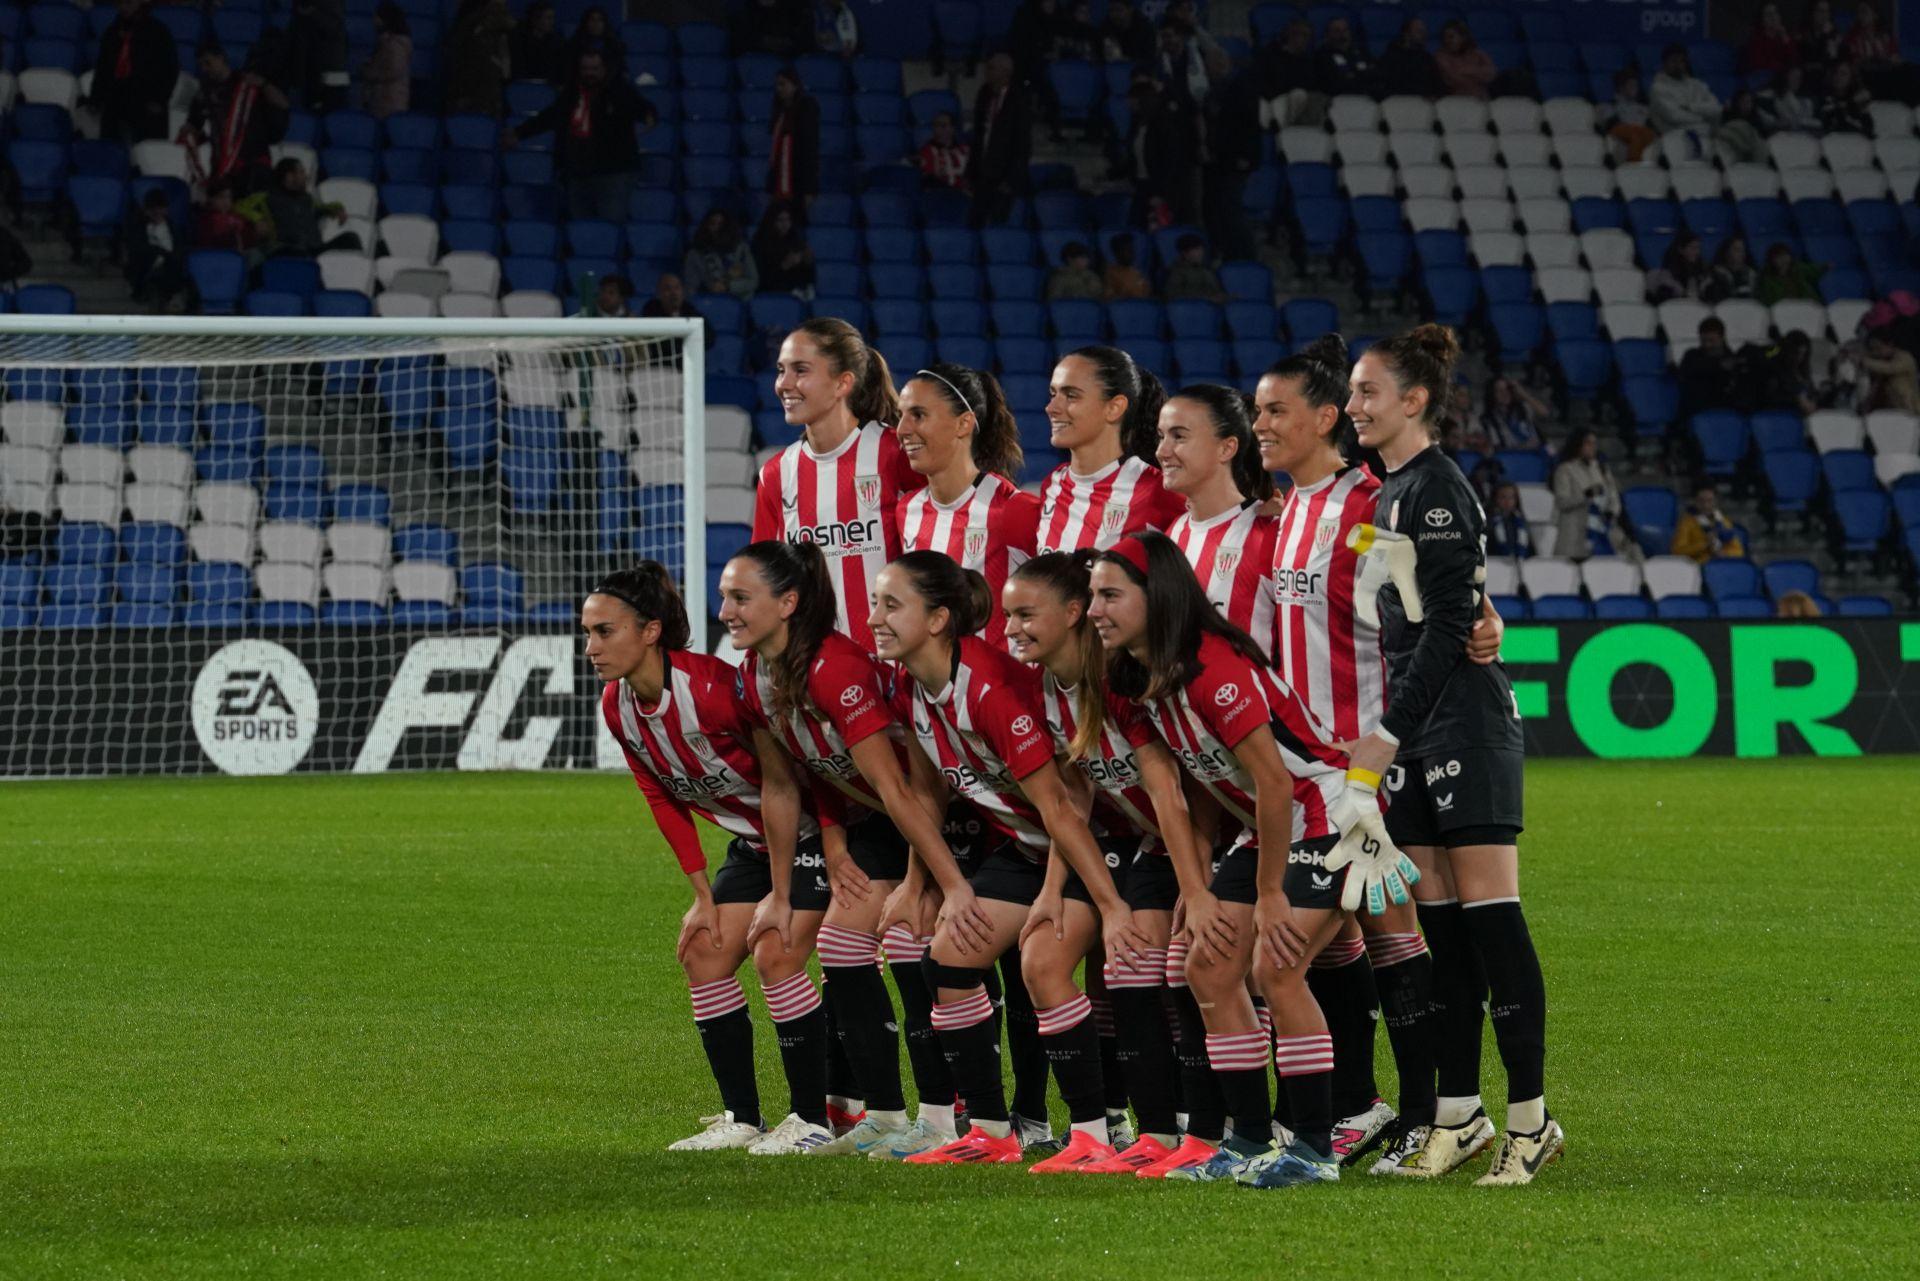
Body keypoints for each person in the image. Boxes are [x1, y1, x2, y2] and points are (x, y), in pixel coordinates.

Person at [1341, 324, 1559, 1184]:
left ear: (1413, 399)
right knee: (1440, 931)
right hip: (1421, 721)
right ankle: (1459, 1115)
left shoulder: (1435, 489)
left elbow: (1442, 629)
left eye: (1368, 392)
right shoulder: (1385, 492)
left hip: (1461, 720)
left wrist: (1388, 729)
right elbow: (1422, 603)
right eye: (1352, 393)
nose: (1356, 405)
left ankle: (1532, 1122)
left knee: (1492, 922)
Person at [1088, 531, 1370, 1188]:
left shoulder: (1212, 665)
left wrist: (1268, 890)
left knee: (1277, 966)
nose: (1094, 608)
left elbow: (1275, 781)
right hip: (1271, 825)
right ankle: (1245, 1138)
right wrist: (1200, 884)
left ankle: (1313, 1148)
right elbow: (1195, 786)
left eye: (1109, 593)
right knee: (1208, 966)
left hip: (1334, 811)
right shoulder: (1137, 676)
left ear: (1154, 595)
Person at [872, 552, 1150, 1166]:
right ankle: (992, 1134)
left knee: (1045, 965)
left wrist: (1082, 897)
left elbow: (1062, 804)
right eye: (875, 604)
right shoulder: (909, 686)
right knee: (945, 960)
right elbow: (926, 793)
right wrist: (933, 883)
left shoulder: (993, 691)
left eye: (891, 605)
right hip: (1030, 848)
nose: (875, 619)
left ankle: (1095, 1136)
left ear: (939, 618)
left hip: (1087, 845)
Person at [719, 539, 988, 1160]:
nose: (727, 611)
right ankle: (887, 1115)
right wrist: (789, 888)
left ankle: (945, 1119)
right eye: (726, 597)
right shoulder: (754, 676)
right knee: (842, 943)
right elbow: (793, 781)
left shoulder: (835, 668)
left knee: (911, 941)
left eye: (740, 597)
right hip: (871, 824)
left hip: (932, 817)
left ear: (787, 603)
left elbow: (900, 787)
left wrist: (939, 883)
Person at [587, 562, 835, 1154]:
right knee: (703, 952)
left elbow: (789, 779)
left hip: (814, 835)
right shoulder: (616, 705)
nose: (592, 647)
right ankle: (742, 1117)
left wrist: (779, 891)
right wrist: (702, 894)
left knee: (775, 954)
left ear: (649, 631)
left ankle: (813, 1120)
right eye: (588, 633)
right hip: (752, 845)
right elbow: (659, 795)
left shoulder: (715, 689)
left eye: (605, 631)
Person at [1000, 551, 1211, 1175]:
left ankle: (1212, 1127)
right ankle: (1098, 1133)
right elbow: (1075, 799)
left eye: (1025, 614)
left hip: (1195, 841)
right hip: (1137, 844)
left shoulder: (1118, 680)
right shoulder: (1050, 688)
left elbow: (1174, 794)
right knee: (1044, 958)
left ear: (1073, 614)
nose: (1011, 628)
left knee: (1169, 963)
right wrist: (1054, 888)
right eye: (1008, 614)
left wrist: (1194, 889)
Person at [751, 318, 921, 653]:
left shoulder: (896, 453)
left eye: (800, 370)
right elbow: (763, 581)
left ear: (843, 383)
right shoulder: (776, 473)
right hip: (812, 668)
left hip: (895, 666)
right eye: (780, 370)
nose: (783, 384)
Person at [894, 363, 1040, 646]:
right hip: (927, 689)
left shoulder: (1014, 510)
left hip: (997, 685)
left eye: (918, 415)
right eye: (901, 416)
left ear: (964, 423)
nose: (902, 429)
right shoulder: (907, 510)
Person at [1157, 385, 1279, 651]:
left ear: (1226, 448)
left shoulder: (1269, 533)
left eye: (1178, 437)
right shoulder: (1174, 534)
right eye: (1161, 436)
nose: (1162, 451)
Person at [1036, 345, 1186, 553]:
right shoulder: (1053, 484)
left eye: (1071, 395)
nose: (1051, 407)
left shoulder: (1158, 491)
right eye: (1053, 394)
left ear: (1114, 408)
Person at [507, 50, 652, 223]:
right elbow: (551, 116)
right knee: (580, 231)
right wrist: (519, 133)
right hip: (578, 172)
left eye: (594, 68)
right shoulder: (573, 92)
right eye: (585, 68)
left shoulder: (620, 91)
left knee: (609, 232)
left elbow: (645, 111)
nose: (589, 73)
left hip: (613, 174)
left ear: (604, 69)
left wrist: (646, 120)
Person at [182, 45, 290, 195]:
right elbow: (193, 124)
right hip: (223, 164)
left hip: (254, 161)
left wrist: (263, 84)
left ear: (221, 58)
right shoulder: (204, 92)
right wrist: (188, 134)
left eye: (208, 63)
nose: (204, 69)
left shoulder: (246, 83)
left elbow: (283, 104)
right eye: (200, 65)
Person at [89, 0, 179, 145]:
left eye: (128, 3)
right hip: (115, 99)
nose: (123, 7)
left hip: (148, 99)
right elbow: (102, 68)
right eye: (119, 3)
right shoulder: (112, 32)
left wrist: (159, 99)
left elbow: (170, 69)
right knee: (111, 148)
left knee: (147, 154)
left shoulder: (158, 31)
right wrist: (96, 98)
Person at [968, 53, 1033, 228]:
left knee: (998, 221)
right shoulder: (984, 94)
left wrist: (1011, 179)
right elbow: (979, 134)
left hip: (1004, 173)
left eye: (991, 68)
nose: (987, 72)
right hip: (983, 170)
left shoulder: (1019, 99)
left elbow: (1022, 143)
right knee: (976, 221)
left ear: (1006, 72)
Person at [1550, 429, 1623, 561]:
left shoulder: (1602, 468)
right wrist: (1586, 495)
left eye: (1594, 443)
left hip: (1600, 537)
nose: (1592, 447)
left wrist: (1612, 512)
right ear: (1577, 445)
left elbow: (1614, 497)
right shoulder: (1565, 470)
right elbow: (1562, 502)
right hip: (1573, 540)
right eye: (1588, 443)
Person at [263, 158, 360, 257]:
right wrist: (258, 220)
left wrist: (336, 209)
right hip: (290, 251)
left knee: (351, 238)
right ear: (289, 176)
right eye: (301, 172)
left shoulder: (306, 199)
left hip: (315, 249)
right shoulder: (271, 200)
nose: (306, 176)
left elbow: (321, 208)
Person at [444, 0, 514, 116]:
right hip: (467, 87)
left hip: (489, 93)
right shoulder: (469, 26)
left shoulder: (503, 36)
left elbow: (506, 71)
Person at [125, 187, 189, 312]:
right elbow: (137, 251)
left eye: (161, 208)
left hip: (171, 269)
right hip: (147, 271)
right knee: (155, 281)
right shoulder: (139, 228)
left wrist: (168, 257)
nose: (157, 212)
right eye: (153, 209)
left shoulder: (174, 229)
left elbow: (179, 250)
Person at [1256, 18, 1325, 132]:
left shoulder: (1307, 60)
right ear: (1288, 34)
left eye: (1306, 36)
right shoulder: (1271, 54)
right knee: (1298, 94)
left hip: (1297, 103)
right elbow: (1265, 80)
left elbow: (1310, 83)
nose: (1301, 39)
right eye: (1297, 34)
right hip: (1273, 100)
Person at [768, 69, 821, 211]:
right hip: (780, 180)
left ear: (795, 85)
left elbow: (810, 150)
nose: (779, 89)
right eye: (777, 85)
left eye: (783, 84)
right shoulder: (779, 112)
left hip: (798, 181)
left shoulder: (806, 107)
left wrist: (809, 189)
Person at [681, 210, 758, 301]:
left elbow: (753, 281)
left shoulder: (742, 249)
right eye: (713, 224)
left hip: (742, 301)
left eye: (722, 225)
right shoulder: (696, 254)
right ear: (706, 226)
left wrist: (728, 286)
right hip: (713, 302)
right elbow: (690, 287)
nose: (717, 228)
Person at [1678, 317, 1743, 419]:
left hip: (1727, 412)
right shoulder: (1692, 356)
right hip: (1698, 411)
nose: (1707, 345)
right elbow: (1687, 371)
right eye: (1704, 340)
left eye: (1712, 341)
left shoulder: (1733, 360)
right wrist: (1719, 366)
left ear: (1722, 338)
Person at [1649, 43, 1722, 135]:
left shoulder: (1697, 84)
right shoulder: (1658, 88)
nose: (1678, 65)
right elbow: (1674, 116)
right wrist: (1705, 117)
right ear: (1664, 63)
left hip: (1706, 134)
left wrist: (1691, 107)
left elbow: (1717, 109)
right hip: (1673, 139)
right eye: (1674, 61)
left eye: (1682, 61)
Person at [357, 4, 412, 119]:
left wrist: (368, 72)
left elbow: (392, 70)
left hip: (389, 102)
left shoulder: (394, 44)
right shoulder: (386, 43)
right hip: (383, 100)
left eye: (377, 17)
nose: (374, 21)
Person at [751, 200, 815, 296]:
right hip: (768, 294)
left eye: (788, 219)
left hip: (795, 293)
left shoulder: (795, 239)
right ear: (771, 221)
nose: (785, 224)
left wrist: (808, 262)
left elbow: (806, 276)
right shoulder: (759, 243)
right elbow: (760, 278)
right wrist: (784, 265)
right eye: (780, 220)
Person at [1669, 483, 1746, 562]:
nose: (1706, 505)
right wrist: (1705, 545)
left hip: (1721, 565)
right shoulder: (1686, 523)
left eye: (1710, 500)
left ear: (1716, 501)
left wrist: (1725, 554)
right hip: (1699, 567)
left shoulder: (1723, 521)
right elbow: (1677, 552)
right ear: (1694, 501)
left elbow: (1739, 551)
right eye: (1701, 501)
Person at [638, 273, 714, 348]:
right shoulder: (651, 311)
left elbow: (710, 338)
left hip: (688, 358)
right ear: (659, 294)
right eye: (668, 289)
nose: (674, 293)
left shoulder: (690, 310)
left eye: (677, 288)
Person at [1602, 68, 1658, 163]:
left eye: (1636, 85)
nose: (1635, 88)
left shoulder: (1643, 108)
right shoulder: (1610, 105)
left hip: (1641, 131)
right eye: (1631, 85)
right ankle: (1633, 163)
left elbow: (1651, 127)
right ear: (1621, 87)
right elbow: (1609, 126)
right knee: (1635, 135)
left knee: (1646, 135)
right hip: (1623, 131)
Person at [1479, 376, 1549, 452]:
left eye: (1507, 389)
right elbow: (1496, 446)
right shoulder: (1489, 418)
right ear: (1492, 394)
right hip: (1512, 456)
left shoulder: (1522, 408)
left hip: (1535, 453)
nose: (1504, 393)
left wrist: (1523, 394)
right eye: (1499, 390)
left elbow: (1544, 412)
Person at [194, 179, 259, 258]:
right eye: (221, 197)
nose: (226, 201)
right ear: (211, 199)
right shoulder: (206, 220)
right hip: (221, 257)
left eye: (229, 197)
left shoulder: (236, 216)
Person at [1860, 328, 1920, 412]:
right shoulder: (1880, 361)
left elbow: (1891, 368)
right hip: (1892, 410)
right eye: (1873, 349)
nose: (1876, 352)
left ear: (1890, 344)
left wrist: (1866, 362)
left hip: (1911, 410)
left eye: (1878, 348)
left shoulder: (1904, 357)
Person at [1434, 19, 1495, 101]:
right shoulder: (1440, 56)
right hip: (1455, 102)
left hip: (1481, 101)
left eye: (1451, 37)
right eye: (1445, 38)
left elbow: (1490, 74)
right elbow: (1453, 78)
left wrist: (1466, 70)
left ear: (1463, 37)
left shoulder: (1478, 54)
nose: (1447, 41)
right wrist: (1477, 75)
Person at [1314, 17, 1373, 98]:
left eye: (1345, 30)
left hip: (1367, 97)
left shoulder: (1361, 52)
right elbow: (1332, 82)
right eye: (1337, 31)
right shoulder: (1322, 55)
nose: (1342, 34)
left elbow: (1373, 73)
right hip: (1338, 99)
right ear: (1328, 34)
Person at [563, 6, 627, 82]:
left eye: (600, 20)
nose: (596, 24)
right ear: (586, 23)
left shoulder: (613, 45)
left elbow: (621, 70)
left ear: (604, 23)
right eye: (592, 20)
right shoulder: (575, 44)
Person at [509, 0, 566, 83]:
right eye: (548, 18)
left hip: (550, 86)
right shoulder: (520, 41)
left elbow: (560, 69)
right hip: (525, 85)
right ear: (535, 20)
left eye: (553, 18)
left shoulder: (558, 41)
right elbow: (518, 69)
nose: (552, 22)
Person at [1816, 58, 1873, 135]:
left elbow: (1868, 127)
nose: (1838, 77)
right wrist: (1849, 103)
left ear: (1851, 77)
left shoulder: (1859, 98)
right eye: (1835, 72)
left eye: (1843, 73)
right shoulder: (1823, 96)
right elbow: (1827, 120)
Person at [1756, 242, 1824, 305]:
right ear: (1772, 260)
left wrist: (1825, 267)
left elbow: (1814, 270)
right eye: (1778, 257)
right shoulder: (1766, 280)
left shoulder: (1799, 271)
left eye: (1785, 255)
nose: (1783, 259)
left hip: (1805, 309)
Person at [1646, 233, 1709, 303]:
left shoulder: (1702, 269)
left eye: (1698, 248)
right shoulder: (1667, 272)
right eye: (1693, 248)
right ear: (1681, 249)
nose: (1697, 252)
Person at [1162, 234, 1225, 302]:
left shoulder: (1207, 270)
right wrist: (1206, 299)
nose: (1201, 253)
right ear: (1185, 253)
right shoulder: (1177, 272)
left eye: (1201, 249)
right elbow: (1173, 296)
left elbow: (1217, 292)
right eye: (1196, 250)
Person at [1758, 66, 1821, 134]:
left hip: (1802, 136)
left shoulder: (1806, 101)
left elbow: (1813, 123)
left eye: (1799, 77)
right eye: (1793, 76)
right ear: (1786, 76)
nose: (1796, 80)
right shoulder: (1767, 96)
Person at [917, 112, 970, 191]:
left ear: (952, 128)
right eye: (936, 125)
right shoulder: (926, 152)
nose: (939, 128)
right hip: (940, 195)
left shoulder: (965, 150)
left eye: (943, 125)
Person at [1744, 3, 1800, 76]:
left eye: (1775, 13)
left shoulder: (1786, 36)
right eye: (1768, 14)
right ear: (1762, 20)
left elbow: (1794, 59)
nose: (1773, 17)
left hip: (1784, 76)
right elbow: (1759, 63)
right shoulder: (1756, 39)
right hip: (1765, 77)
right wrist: (1784, 67)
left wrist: (1784, 37)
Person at [1716, 89, 1767, 165]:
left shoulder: (1755, 117)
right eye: (1743, 101)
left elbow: (1759, 136)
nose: (1747, 105)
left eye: (1749, 102)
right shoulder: (1728, 115)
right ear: (1737, 102)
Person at [1485, 483, 1534, 559]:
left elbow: (1531, 551)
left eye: (1511, 497)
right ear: (1495, 499)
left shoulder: (1521, 522)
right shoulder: (1487, 521)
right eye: (1503, 497)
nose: (1507, 501)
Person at [1099, 0, 1155, 66]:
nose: (1115, 15)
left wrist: (1128, 60)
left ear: (1130, 9)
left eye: (1119, 10)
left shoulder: (1145, 28)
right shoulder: (1106, 27)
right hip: (1114, 69)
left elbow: (1149, 58)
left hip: (1139, 70)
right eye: (1111, 10)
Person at [1705, 236, 1757, 303]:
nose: (1741, 253)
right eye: (1737, 250)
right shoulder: (1715, 274)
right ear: (1726, 251)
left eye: (1743, 250)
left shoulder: (1751, 274)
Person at [1103, 234, 1151, 301]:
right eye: (1128, 250)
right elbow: (1109, 299)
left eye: (1132, 249)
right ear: (1118, 253)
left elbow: (1146, 293)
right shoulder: (1110, 273)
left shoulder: (1137, 272)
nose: (1132, 253)